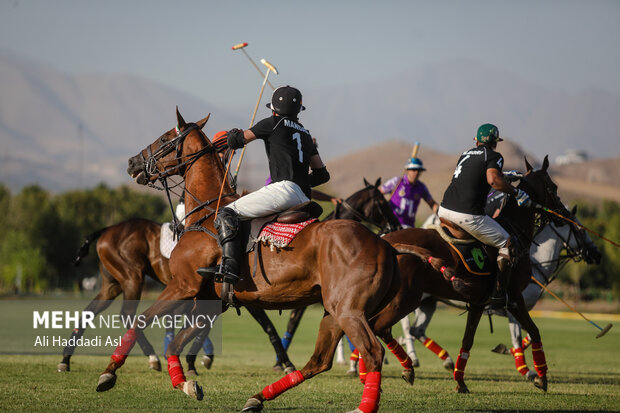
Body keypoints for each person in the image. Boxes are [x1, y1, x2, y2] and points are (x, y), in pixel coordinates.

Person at [197, 86, 330, 289]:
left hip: (283, 191)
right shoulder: (306, 134)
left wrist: (229, 136)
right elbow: (322, 175)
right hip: (304, 197)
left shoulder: (272, 123)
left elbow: (237, 139)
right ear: (298, 110)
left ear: (274, 109)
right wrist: (300, 180)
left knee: (226, 212)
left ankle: (230, 268)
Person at [437, 123, 531, 307]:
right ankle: (497, 296)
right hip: (466, 215)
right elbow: (493, 180)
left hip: (444, 210)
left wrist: (504, 176)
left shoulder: (465, 154)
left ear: (477, 141)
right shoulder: (494, 155)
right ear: (495, 142)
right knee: (507, 242)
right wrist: (516, 192)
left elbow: (478, 174)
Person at [380, 154, 438, 228]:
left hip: (409, 227)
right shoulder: (396, 182)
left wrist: (441, 214)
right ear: (407, 170)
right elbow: (378, 193)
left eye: (419, 170)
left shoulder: (421, 187)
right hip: (391, 225)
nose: (416, 173)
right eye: (414, 170)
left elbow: (432, 203)